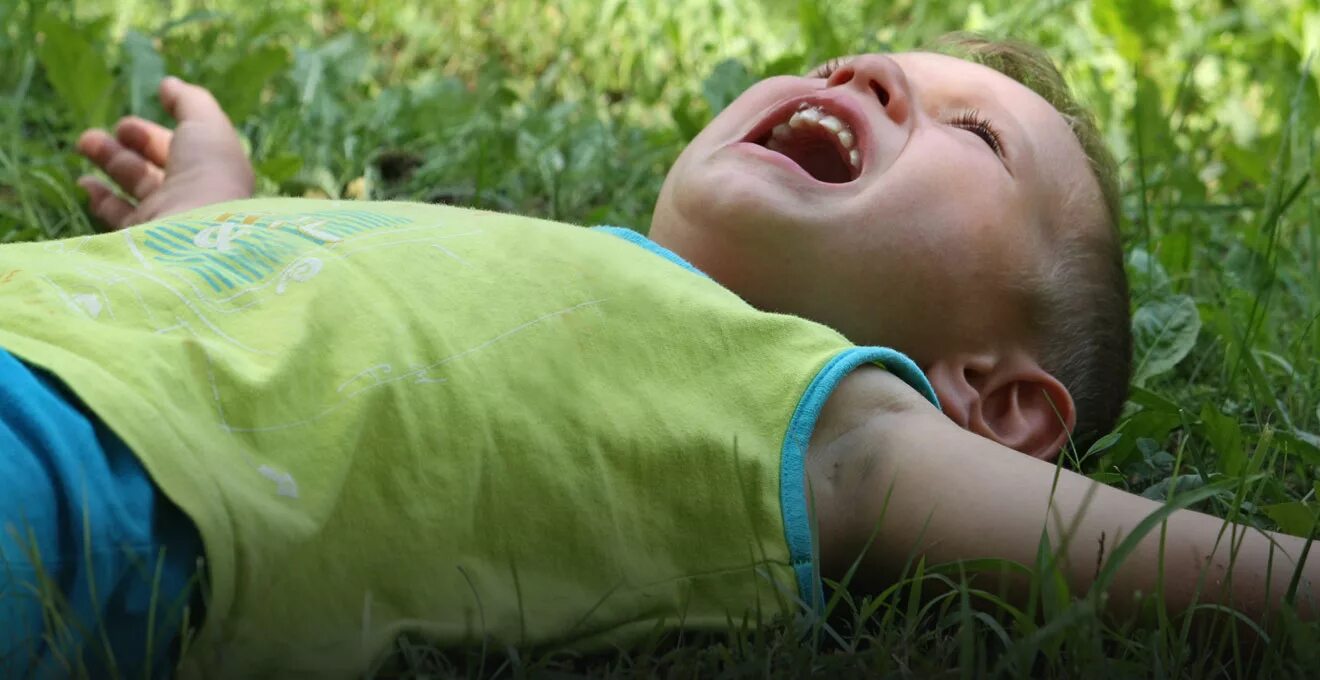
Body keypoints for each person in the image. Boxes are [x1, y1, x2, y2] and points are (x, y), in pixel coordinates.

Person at [0, 35, 1312, 678]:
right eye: (851, 59)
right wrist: (218, 199)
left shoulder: (824, 414)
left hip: (73, 486)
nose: (867, 73)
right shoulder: (529, 254)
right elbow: (260, 286)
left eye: (974, 134)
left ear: (994, 398)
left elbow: (1162, 556)